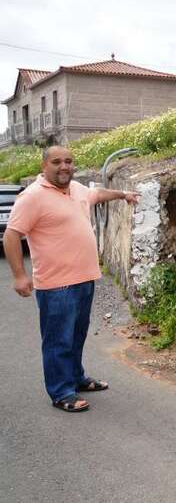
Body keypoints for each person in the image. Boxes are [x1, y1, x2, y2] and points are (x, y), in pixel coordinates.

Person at [3, 145, 139, 413]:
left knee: (76, 336)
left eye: (68, 161)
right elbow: (11, 235)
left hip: (85, 279)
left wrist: (122, 194)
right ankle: (61, 391)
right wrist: (20, 276)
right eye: (57, 162)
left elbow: (97, 194)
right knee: (58, 340)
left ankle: (76, 378)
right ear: (44, 166)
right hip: (56, 286)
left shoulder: (76, 189)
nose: (64, 166)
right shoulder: (32, 197)